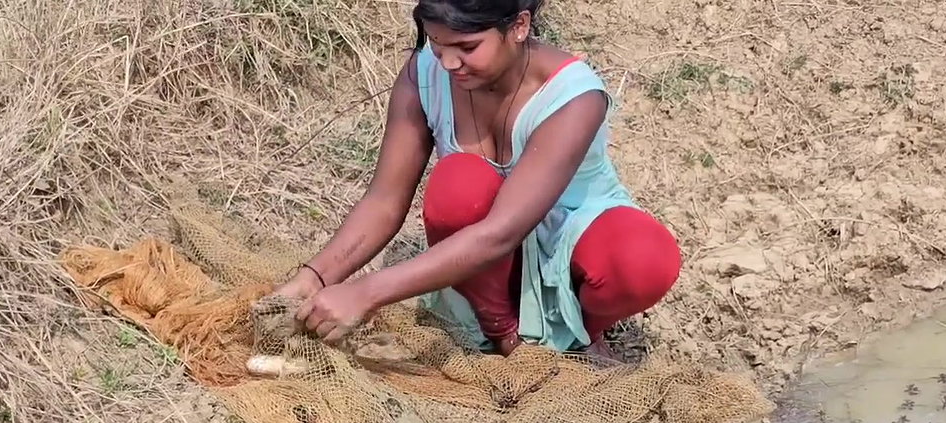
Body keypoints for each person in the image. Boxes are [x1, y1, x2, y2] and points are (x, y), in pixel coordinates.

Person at [271, 0, 682, 358]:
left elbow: (501, 232)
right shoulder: (424, 76)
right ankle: (502, 333)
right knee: (459, 183)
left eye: (467, 47)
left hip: (565, 241)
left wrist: (366, 293)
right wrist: (316, 277)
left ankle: (580, 334)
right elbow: (384, 201)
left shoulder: (575, 97)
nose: (449, 63)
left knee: (644, 258)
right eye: (437, 44)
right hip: (485, 261)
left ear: (518, 27)